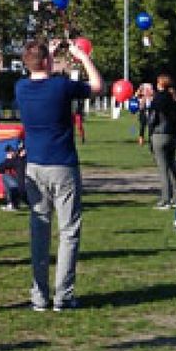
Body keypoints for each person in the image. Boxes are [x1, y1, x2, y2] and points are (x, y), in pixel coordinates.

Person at [14, 39, 103, 312]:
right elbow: (98, 86)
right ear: (48, 62)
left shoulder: (21, 88)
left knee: (39, 232)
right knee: (68, 232)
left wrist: (46, 55)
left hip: (34, 166)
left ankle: (39, 296)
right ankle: (63, 295)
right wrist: (82, 57)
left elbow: (36, 72)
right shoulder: (60, 86)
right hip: (62, 165)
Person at [148, 75, 176, 210]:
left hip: (160, 134)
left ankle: (166, 199)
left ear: (161, 84)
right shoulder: (175, 97)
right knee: (172, 167)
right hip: (174, 134)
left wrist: (149, 133)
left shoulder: (158, 98)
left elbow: (152, 118)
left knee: (163, 169)